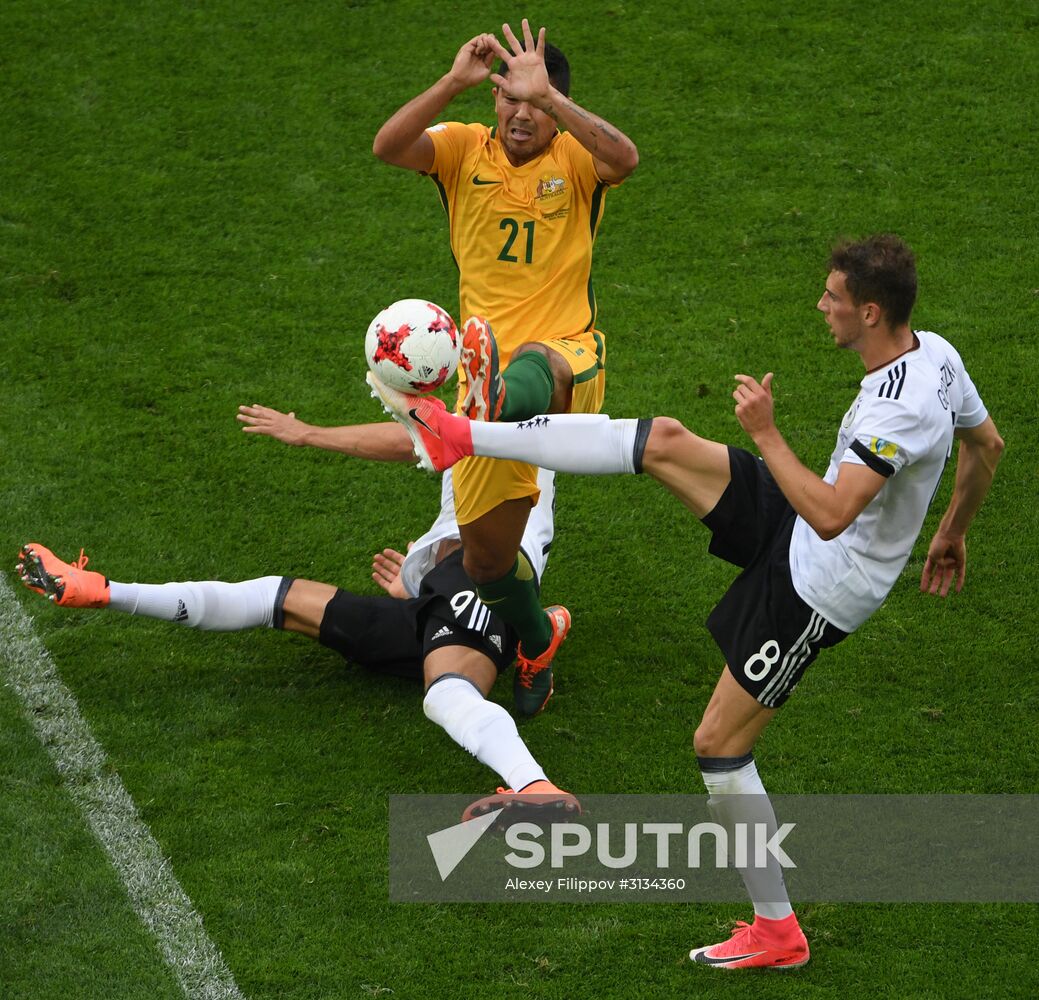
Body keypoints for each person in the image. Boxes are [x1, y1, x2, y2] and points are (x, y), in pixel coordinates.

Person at [367, 234, 1005, 969]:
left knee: (719, 746)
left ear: (868, 311)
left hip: (820, 584)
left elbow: (832, 513)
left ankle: (778, 931)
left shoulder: (901, 408)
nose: (819, 306)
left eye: (831, 298)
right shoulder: (937, 354)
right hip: (805, 525)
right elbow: (986, 446)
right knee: (664, 441)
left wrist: (764, 433)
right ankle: (465, 436)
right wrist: (949, 532)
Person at [16, 464, 577, 822]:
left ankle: (538, 787)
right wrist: (417, 580)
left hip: (485, 581)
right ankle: (101, 591)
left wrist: (304, 436)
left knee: (447, 695)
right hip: (438, 591)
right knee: (274, 596)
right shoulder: (481, 421)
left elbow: (407, 441)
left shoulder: (503, 425)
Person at [371, 19, 638, 716]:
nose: (519, 115)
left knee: (530, 367)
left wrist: (555, 102)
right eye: (507, 100)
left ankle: (495, 398)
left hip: (564, 356)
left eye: (533, 104)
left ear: (549, 105)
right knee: (485, 562)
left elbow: (625, 158)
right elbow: (388, 147)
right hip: (474, 383)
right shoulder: (463, 151)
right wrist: (452, 83)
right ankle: (536, 637)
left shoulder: (576, 159)